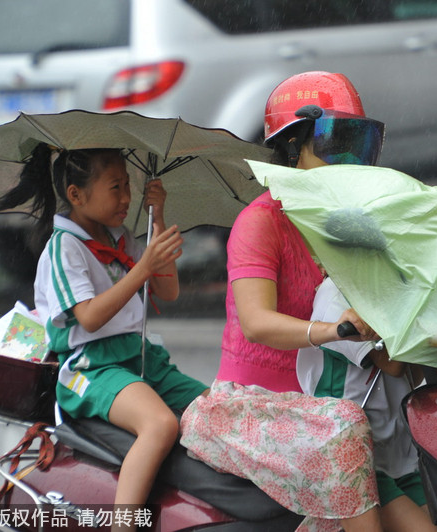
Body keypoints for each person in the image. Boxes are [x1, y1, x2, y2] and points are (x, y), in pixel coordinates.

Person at [180, 72, 393, 532]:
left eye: (358, 143)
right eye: (335, 144)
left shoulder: (343, 227)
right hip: (244, 408)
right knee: (345, 426)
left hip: (310, 402)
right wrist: (337, 331)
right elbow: (256, 322)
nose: (348, 161)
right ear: (293, 148)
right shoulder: (260, 222)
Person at [0, 146, 209, 525]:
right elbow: (89, 318)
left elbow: (168, 291)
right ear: (76, 195)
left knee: (215, 410)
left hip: (139, 358)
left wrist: (158, 222)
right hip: (91, 367)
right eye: (115, 187)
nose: (127, 198)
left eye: (128, 185)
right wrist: (143, 268)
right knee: (160, 425)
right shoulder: (63, 248)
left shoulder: (120, 236)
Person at [298, 276, 437, 532]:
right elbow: (391, 363)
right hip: (352, 454)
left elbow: (414, 374)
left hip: (397, 452)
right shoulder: (336, 294)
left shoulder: (397, 290)